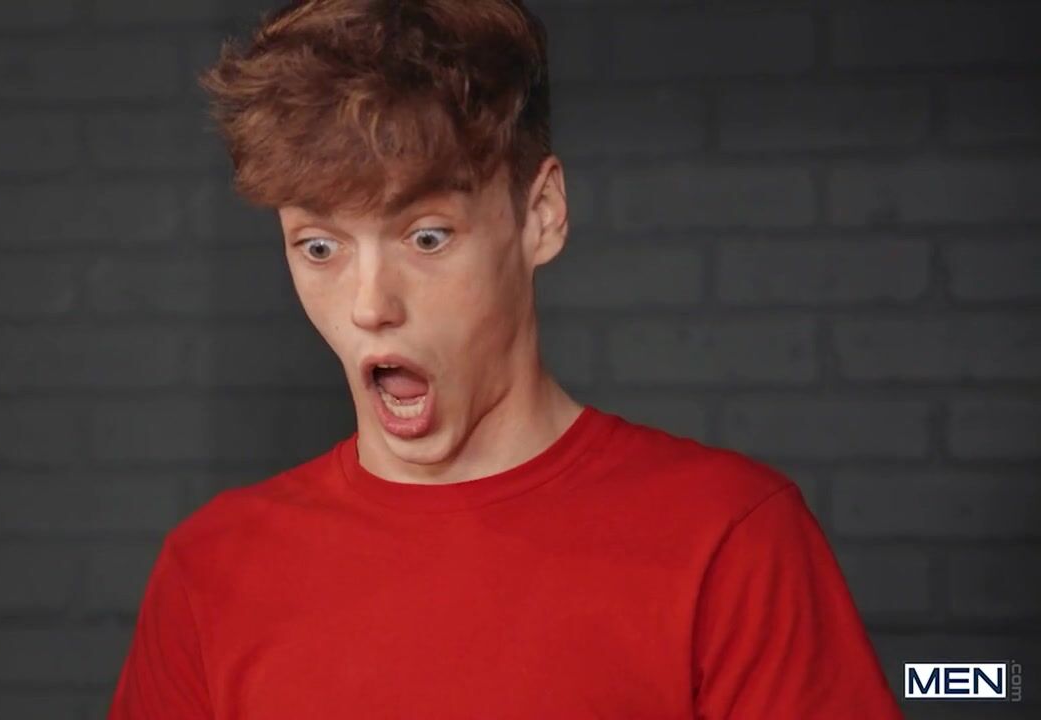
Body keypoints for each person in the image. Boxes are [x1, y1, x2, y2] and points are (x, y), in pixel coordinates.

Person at [108, 1, 905, 717]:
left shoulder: (730, 540)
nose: (368, 304)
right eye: (320, 247)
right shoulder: (212, 569)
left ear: (541, 214)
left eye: (427, 237)